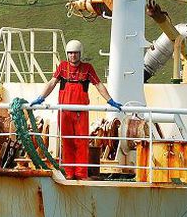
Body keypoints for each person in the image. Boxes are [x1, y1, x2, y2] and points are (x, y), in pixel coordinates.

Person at [30, 40, 122, 180]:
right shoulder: (62, 67)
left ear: (80, 54)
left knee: (81, 142)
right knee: (67, 142)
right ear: (67, 54)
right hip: (65, 111)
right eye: (70, 53)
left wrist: (109, 100)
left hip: (81, 113)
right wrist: (41, 97)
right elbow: (52, 83)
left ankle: (81, 174)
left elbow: (98, 84)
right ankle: (69, 172)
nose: (73, 56)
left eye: (75, 53)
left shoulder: (88, 68)